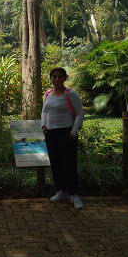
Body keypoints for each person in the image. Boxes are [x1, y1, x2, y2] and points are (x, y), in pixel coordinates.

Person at [41, 67, 85, 209]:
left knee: (69, 164)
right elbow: (44, 111)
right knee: (56, 163)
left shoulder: (70, 94)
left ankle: (74, 194)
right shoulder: (47, 93)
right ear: (51, 78)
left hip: (67, 133)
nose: (57, 79)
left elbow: (80, 114)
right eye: (54, 76)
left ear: (65, 78)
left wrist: (73, 132)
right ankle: (62, 191)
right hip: (51, 133)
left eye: (60, 76)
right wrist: (43, 125)